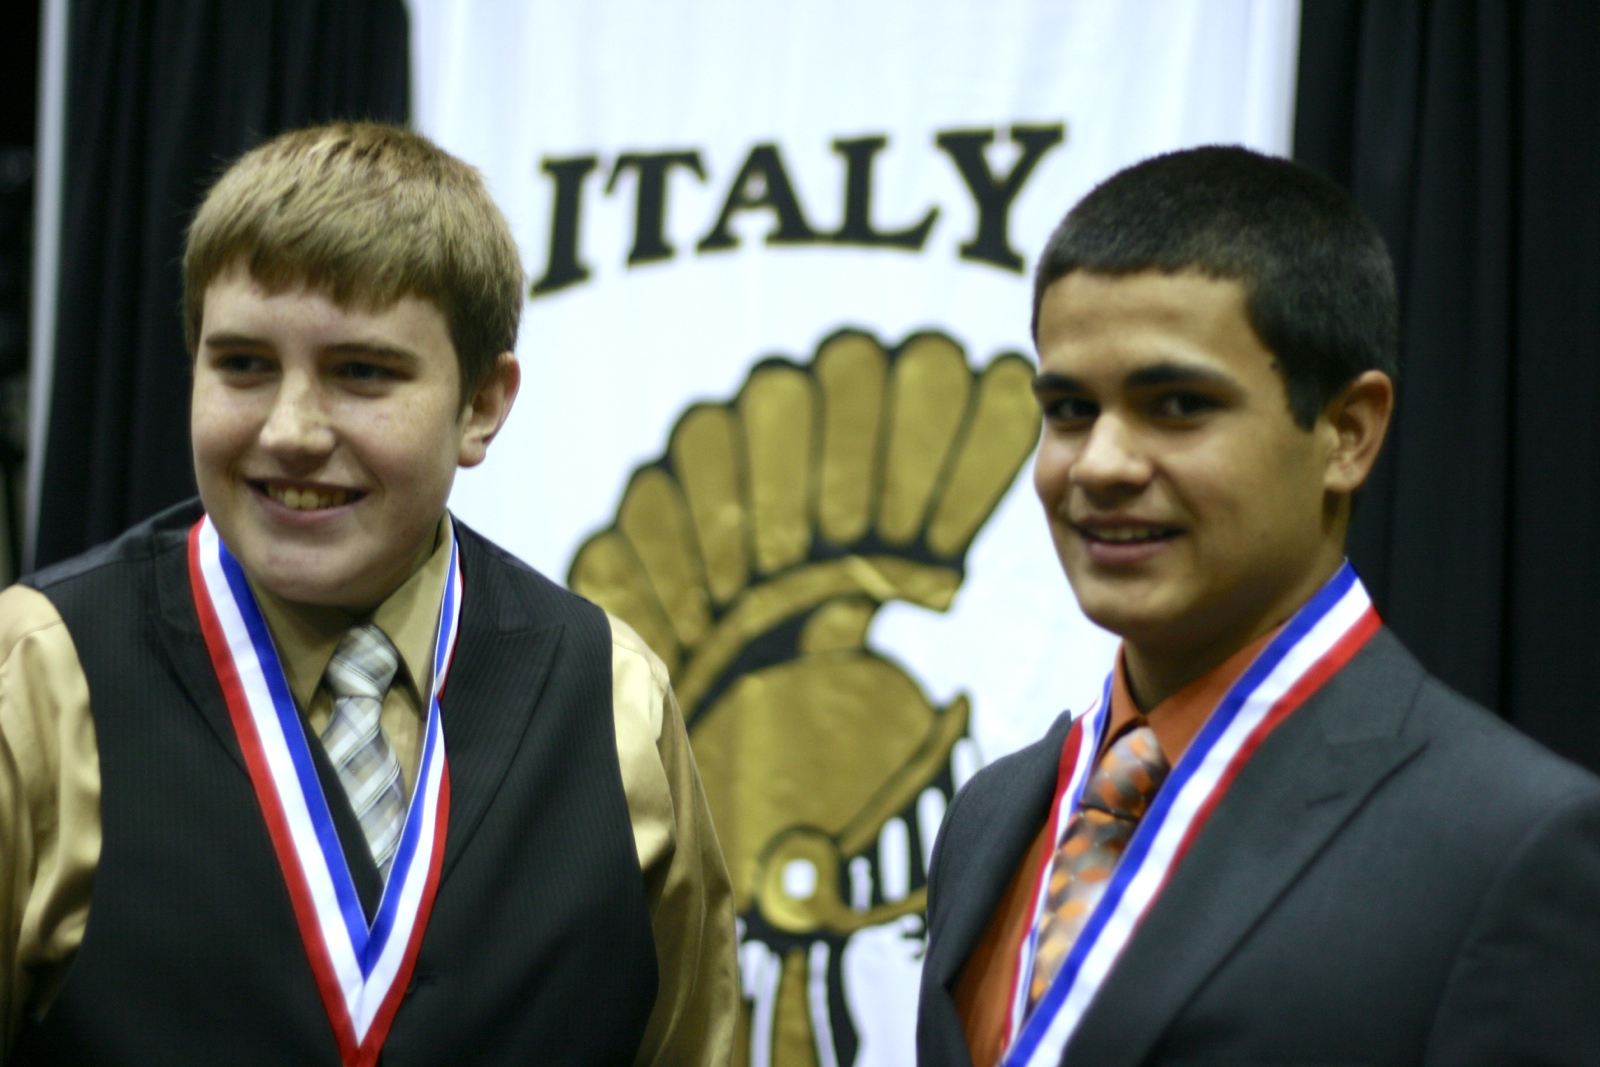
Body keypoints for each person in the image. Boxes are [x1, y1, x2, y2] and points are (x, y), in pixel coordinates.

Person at [0, 122, 736, 1065]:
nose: (291, 429)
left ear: (481, 404)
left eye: (362, 373)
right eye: (243, 364)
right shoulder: (43, 674)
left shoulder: (613, 698)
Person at [917, 145, 1600, 1067]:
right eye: (1071, 409)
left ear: (1347, 433)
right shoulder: (991, 816)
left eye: (1177, 404)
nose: (1101, 463)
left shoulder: (1510, 842)